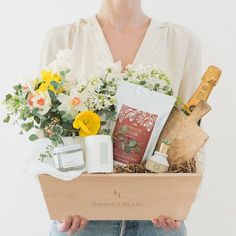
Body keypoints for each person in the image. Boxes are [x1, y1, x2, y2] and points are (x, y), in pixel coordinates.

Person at [41, 0, 202, 235]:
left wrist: (181, 201)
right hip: (81, 220)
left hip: (158, 219)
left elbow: (191, 131)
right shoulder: (62, 39)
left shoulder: (182, 42)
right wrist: (61, 203)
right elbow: (47, 134)